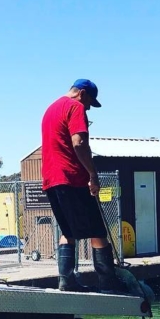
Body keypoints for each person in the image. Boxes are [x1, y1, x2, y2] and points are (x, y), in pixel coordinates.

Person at [40, 79, 123, 293]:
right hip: (71, 178)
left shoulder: (50, 109)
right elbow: (79, 142)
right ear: (82, 94)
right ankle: (108, 281)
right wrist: (93, 174)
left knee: (68, 230)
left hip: (51, 180)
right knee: (97, 230)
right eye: (89, 103)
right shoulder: (75, 107)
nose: (88, 108)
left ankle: (66, 281)